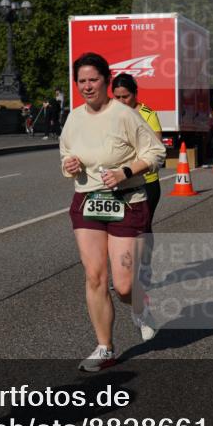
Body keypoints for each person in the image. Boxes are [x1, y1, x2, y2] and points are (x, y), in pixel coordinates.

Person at [60, 52, 166, 371]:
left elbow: (157, 152)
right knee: (95, 276)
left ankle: (139, 305)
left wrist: (125, 171)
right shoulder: (74, 117)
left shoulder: (124, 114)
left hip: (126, 200)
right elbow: (65, 154)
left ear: (106, 80)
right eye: (82, 81)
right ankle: (105, 347)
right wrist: (70, 165)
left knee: (123, 285)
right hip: (88, 200)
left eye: (93, 80)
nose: (87, 86)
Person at [111, 73, 162, 231]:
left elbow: (156, 150)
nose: (121, 101)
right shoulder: (111, 114)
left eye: (125, 96)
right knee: (120, 229)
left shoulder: (147, 114)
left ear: (135, 93)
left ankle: (144, 256)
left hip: (146, 182)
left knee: (142, 228)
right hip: (118, 181)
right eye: (117, 97)